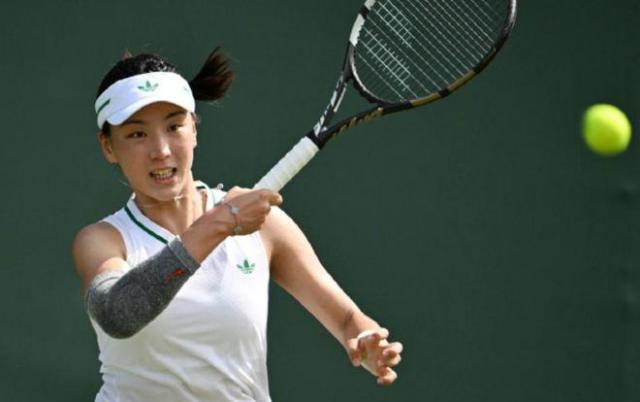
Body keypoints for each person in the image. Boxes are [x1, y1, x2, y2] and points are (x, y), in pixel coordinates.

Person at [72, 48, 403, 402]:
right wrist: (221, 222)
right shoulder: (103, 241)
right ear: (108, 147)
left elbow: (348, 319)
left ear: (194, 129)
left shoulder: (265, 227)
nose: (161, 150)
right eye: (137, 134)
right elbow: (118, 314)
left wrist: (366, 340)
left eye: (174, 126)